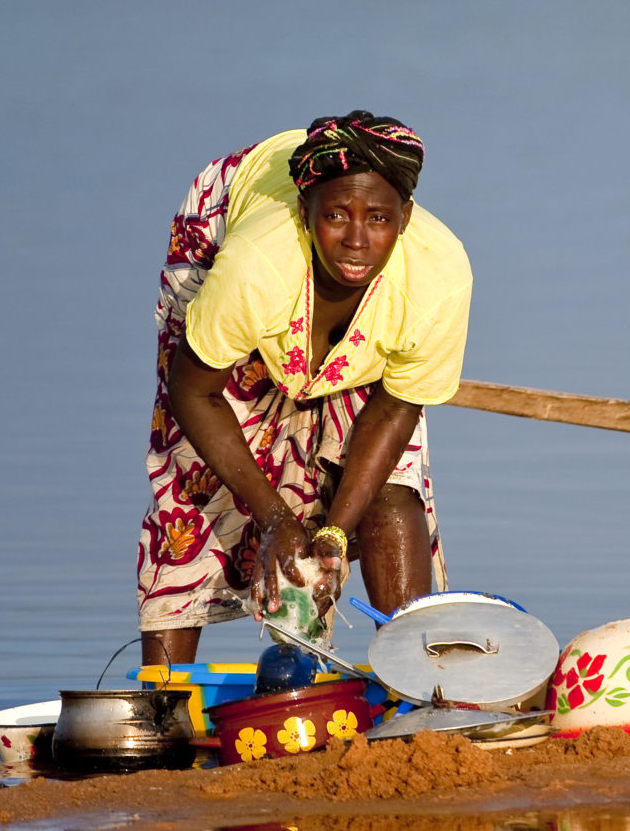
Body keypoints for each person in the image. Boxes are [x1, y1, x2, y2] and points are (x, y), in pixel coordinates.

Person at [136, 114, 471, 666]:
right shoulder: (254, 266)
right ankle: (161, 700)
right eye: (337, 214)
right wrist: (273, 516)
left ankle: (416, 679)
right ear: (304, 209)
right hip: (223, 236)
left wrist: (336, 531)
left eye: (380, 218)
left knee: (388, 482)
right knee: (194, 476)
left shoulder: (438, 281)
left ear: (406, 218)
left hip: (358, 336)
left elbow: (396, 407)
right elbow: (192, 393)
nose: (358, 239)